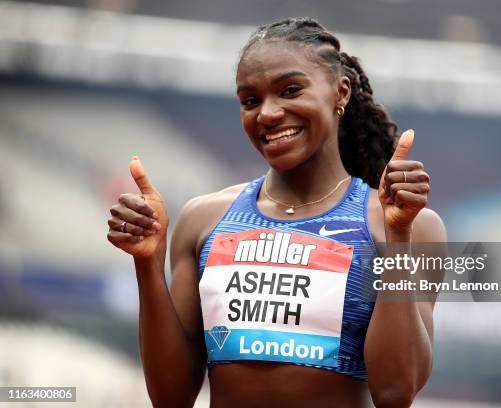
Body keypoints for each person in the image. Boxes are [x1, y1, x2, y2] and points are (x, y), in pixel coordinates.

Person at [107, 17, 446, 408]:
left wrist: (398, 237)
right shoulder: (204, 220)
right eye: (250, 100)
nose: (267, 114)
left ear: (341, 92)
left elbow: (395, 391)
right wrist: (147, 266)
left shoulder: (407, 225)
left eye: (290, 90)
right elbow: (171, 397)